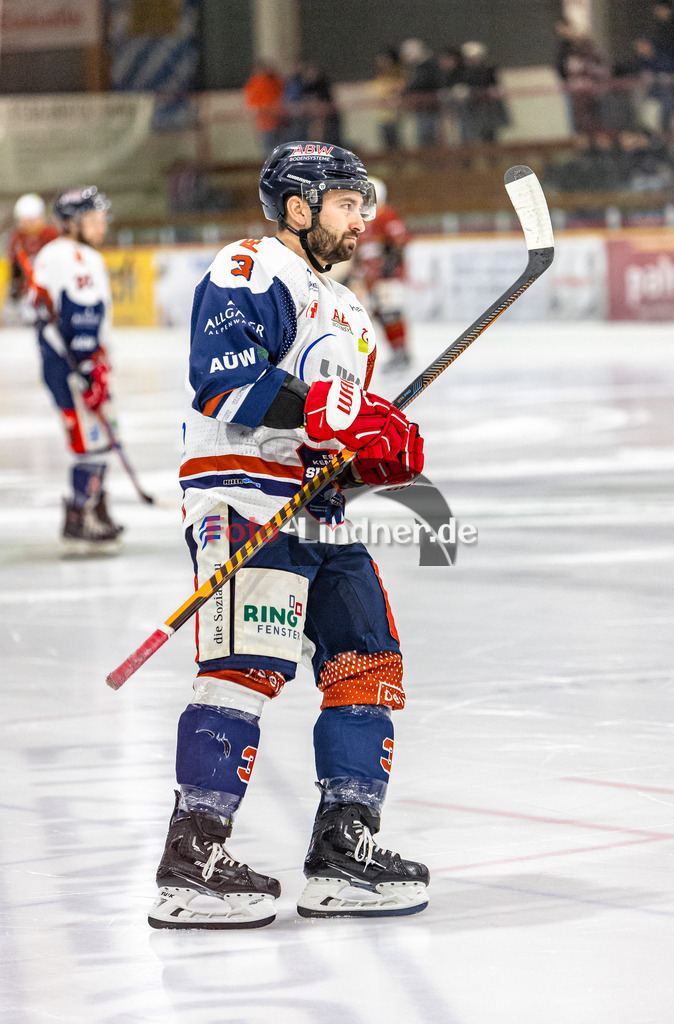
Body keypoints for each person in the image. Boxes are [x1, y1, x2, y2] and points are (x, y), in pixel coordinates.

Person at [149, 141, 429, 929]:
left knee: (366, 664)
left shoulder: (351, 314)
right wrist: (337, 415)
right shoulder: (251, 268)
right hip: (244, 500)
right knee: (244, 669)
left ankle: (343, 849)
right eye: (345, 203)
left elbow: (332, 437)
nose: (361, 217)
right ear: (297, 209)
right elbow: (226, 377)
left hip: (319, 516)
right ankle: (192, 861)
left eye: (360, 203)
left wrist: (375, 454)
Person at [31, 187, 123, 553]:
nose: (101, 226)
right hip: (75, 366)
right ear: (71, 223)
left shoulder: (50, 255)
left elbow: (31, 311)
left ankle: (95, 508)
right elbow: (83, 312)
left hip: (67, 363)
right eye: (94, 219)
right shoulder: (76, 256)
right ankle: (80, 516)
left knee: (99, 436)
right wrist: (87, 368)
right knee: (91, 442)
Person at [350, 176, 411, 370]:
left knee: (391, 311)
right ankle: (394, 350)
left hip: (387, 275)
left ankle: (401, 351)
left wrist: (389, 268)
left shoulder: (386, 215)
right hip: (371, 277)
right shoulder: (360, 221)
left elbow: (399, 243)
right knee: (376, 314)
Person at [6, 193, 59, 310]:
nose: (28, 226)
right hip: (28, 296)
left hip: (52, 292)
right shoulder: (17, 238)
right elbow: (15, 270)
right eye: (25, 221)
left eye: (32, 221)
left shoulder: (51, 235)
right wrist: (15, 295)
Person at [243, 61, 289, 156]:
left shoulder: (273, 81)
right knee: (271, 148)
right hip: (266, 122)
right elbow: (252, 104)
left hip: (276, 120)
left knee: (274, 148)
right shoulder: (257, 83)